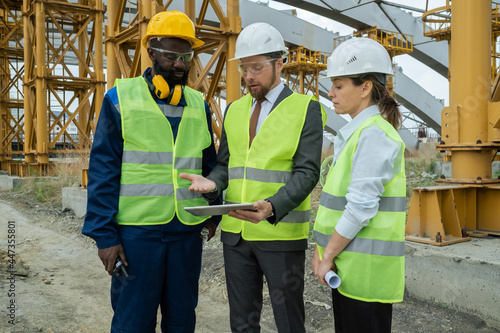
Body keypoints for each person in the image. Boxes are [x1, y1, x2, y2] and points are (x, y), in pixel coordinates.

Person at [180, 22, 326, 332]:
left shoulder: (305, 109)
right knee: (242, 324)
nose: (249, 76)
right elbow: (226, 164)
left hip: (280, 235)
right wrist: (214, 182)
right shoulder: (234, 109)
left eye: (257, 68)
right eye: (244, 69)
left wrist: (272, 206)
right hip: (236, 235)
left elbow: (308, 172)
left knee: (289, 322)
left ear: (279, 64)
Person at [82, 10, 221, 333]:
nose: (180, 64)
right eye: (172, 56)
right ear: (152, 52)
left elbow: (210, 166)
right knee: (133, 322)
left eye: (186, 56)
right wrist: (104, 235)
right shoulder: (120, 99)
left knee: (181, 321)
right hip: (136, 237)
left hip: (186, 233)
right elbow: (104, 169)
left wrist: (213, 213)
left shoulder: (199, 103)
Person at [312, 37, 406, 333]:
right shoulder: (359, 133)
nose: (331, 93)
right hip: (350, 269)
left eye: (339, 86)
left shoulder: (374, 135)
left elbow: (360, 208)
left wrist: (326, 255)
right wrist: (323, 253)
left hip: (365, 276)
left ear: (365, 88)